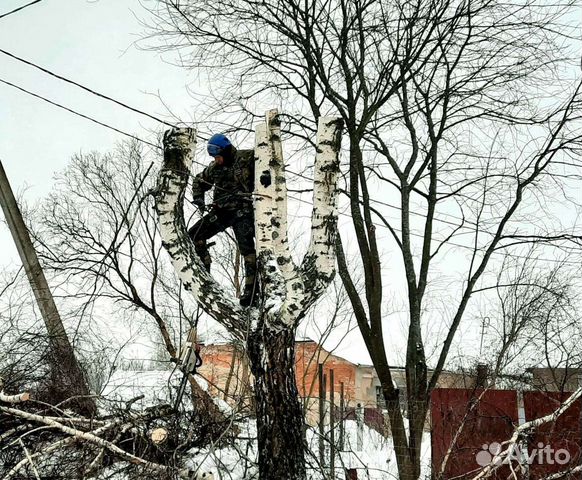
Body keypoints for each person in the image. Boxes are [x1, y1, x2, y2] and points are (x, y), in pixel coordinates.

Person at [188, 133, 259, 307]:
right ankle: (204, 272)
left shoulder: (248, 157)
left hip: (243, 211)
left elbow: (268, 167)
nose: (217, 160)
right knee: (195, 233)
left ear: (225, 151)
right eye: (214, 158)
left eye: (218, 156)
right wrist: (199, 198)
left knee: (247, 249)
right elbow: (198, 181)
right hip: (222, 212)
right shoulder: (215, 168)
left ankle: (252, 290)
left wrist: (266, 179)